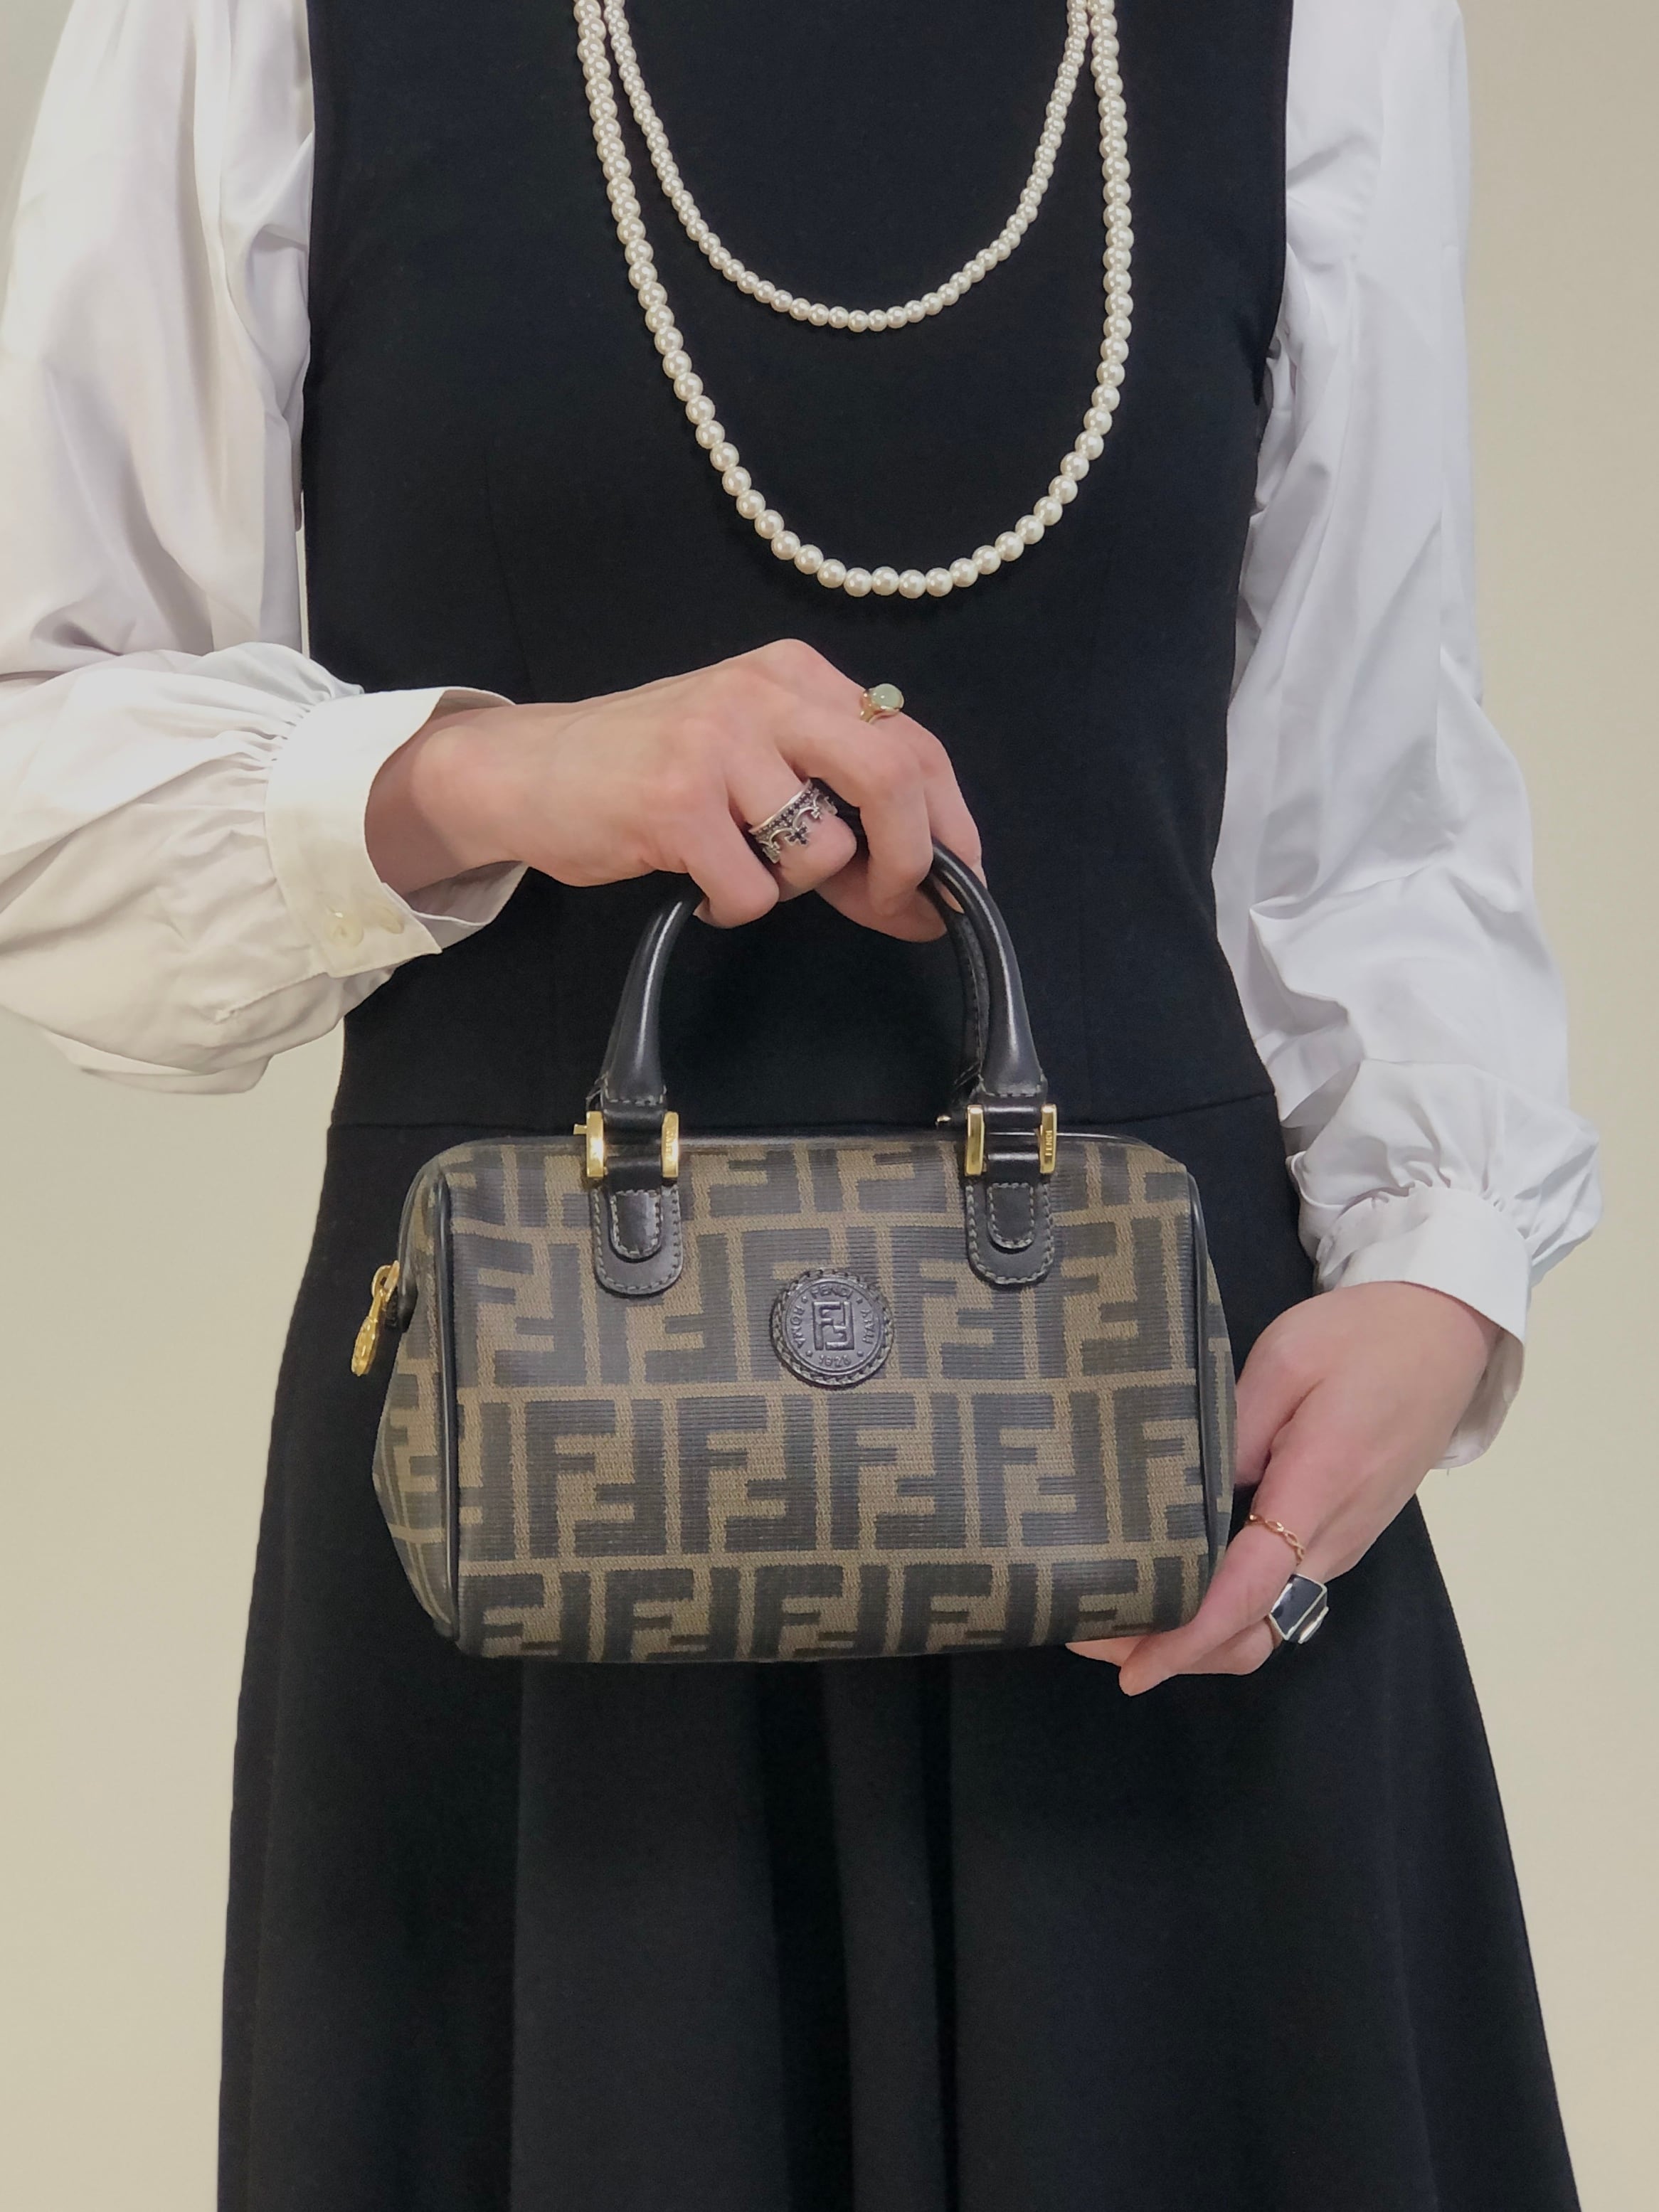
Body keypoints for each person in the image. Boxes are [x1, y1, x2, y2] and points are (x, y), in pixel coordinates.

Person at [0, 0, 1601, 2206]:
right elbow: (38, 765)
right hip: (546, 1520)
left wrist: (1437, 1270)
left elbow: (1370, 780)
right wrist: (499, 771)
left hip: (1160, 1491)